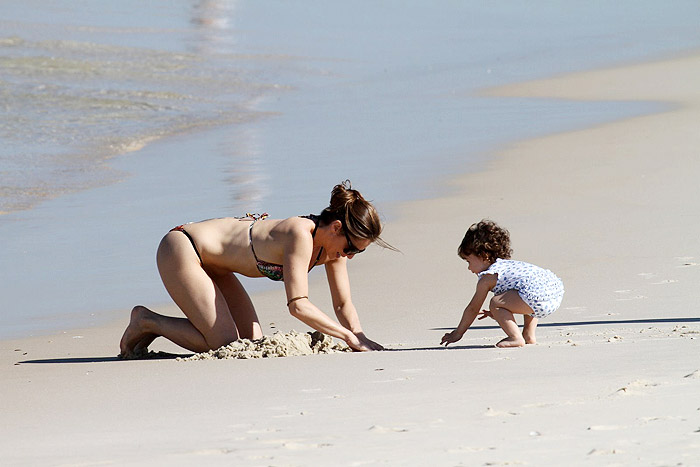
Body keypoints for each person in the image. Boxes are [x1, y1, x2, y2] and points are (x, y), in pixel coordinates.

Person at [119, 181, 393, 357]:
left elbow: (343, 303)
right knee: (223, 343)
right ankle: (146, 320)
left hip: (217, 266)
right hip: (183, 248)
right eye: (352, 248)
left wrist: (359, 337)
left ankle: (151, 325)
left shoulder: (332, 250)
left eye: (359, 251)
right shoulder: (300, 233)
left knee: (252, 341)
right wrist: (344, 335)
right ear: (336, 228)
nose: (351, 256)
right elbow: (298, 305)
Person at [440, 220, 564, 348]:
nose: (469, 268)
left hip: (536, 296)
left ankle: (515, 338)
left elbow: (473, 308)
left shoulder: (487, 279)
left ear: (484, 256)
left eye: (468, 261)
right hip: (554, 293)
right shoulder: (508, 266)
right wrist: (499, 313)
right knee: (524, 291)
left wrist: (458, 333)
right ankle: (528, 335)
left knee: (496, 303)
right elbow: (520, 294)